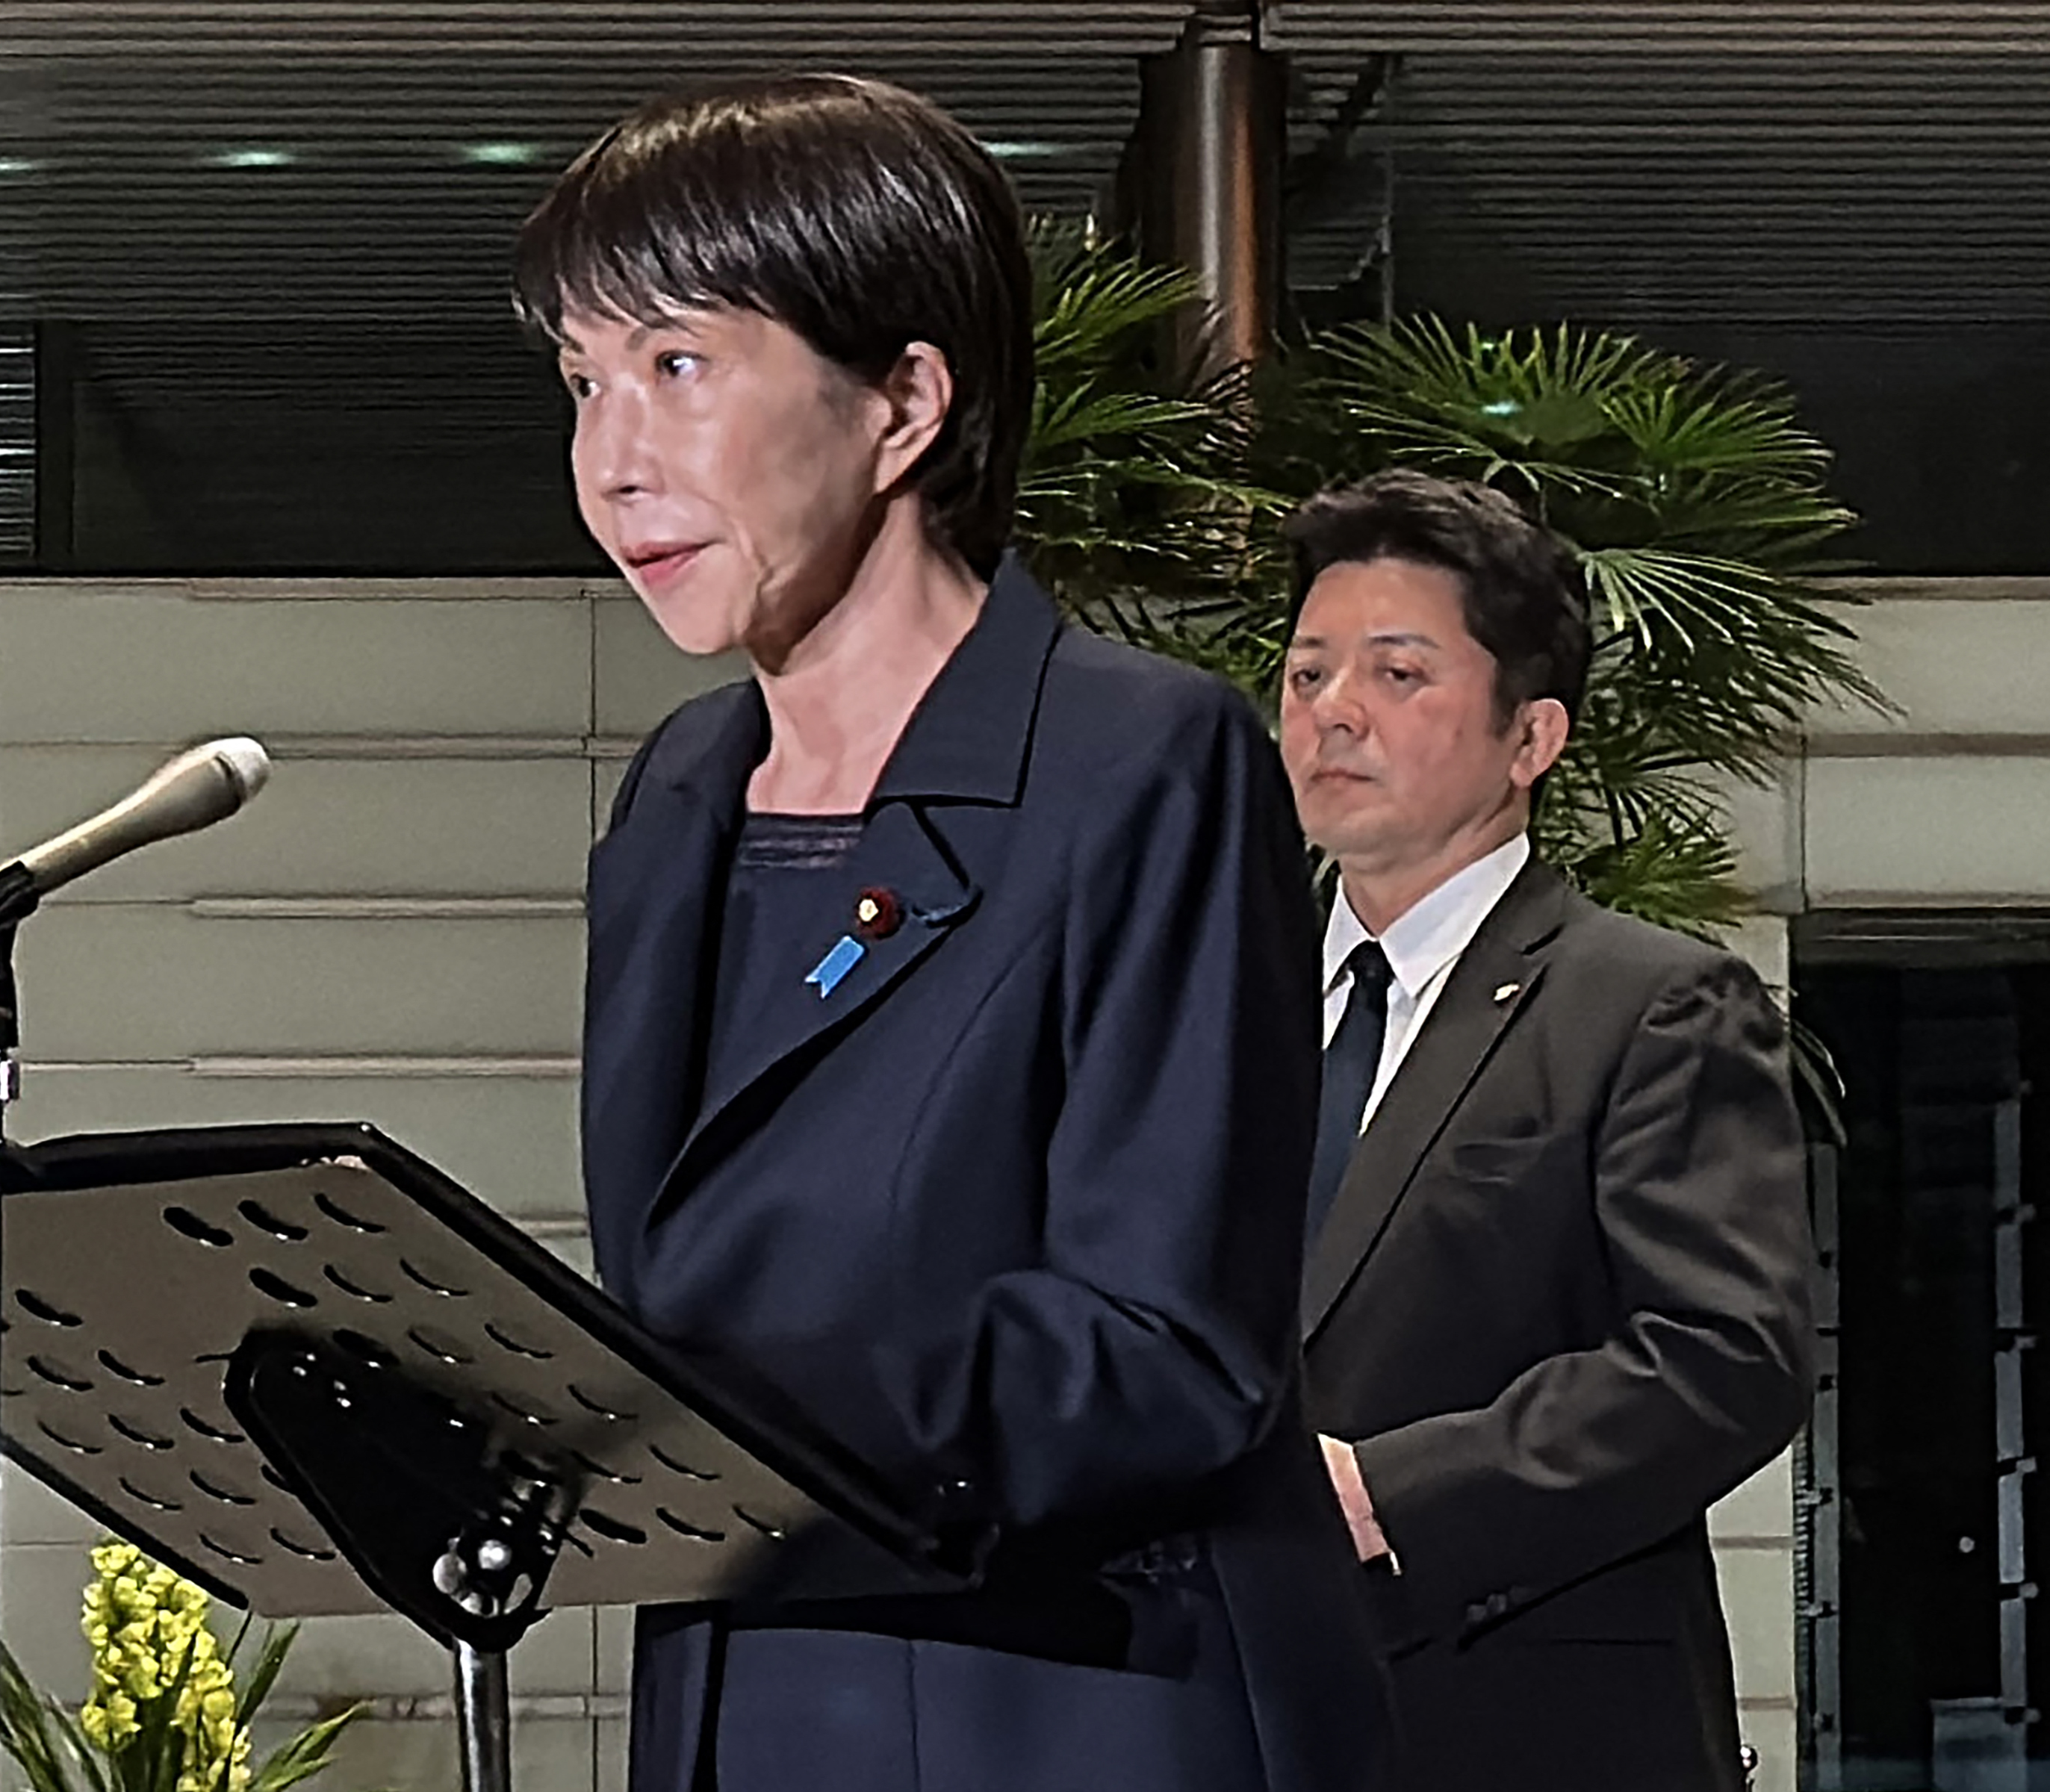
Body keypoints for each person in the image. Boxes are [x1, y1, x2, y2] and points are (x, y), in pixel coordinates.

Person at [514, 72, 1388, 1792]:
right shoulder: (683, 794)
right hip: (746, 1677)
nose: (612, 463)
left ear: (904, 400)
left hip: (1076, 1694)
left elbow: (1169, 1350)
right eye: (581, 383)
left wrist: (659, 1422)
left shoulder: (1143, 759)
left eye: (678, 367)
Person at [1279, 469, 1818, 1792]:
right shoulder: (1217, 1005)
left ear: (1533, 739)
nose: (1334, 711)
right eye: (1305, 674)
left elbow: (1723, 1360)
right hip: (1233, 1713)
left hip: (1528, 1719)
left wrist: (1388, 1494)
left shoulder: (1650, 1004)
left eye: (1399, 675)